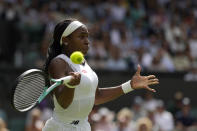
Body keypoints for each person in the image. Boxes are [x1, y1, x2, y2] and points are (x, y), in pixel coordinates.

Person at [42, 18, 159, 131]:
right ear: (66, 40)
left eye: (87, 36)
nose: (87, 41)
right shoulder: (58, 63)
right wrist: (71, 86)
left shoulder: (83, 62)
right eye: (81, 37)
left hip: (83, 126)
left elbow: (96, 96)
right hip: (61, 128)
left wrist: (130, 85)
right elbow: (63, 104)